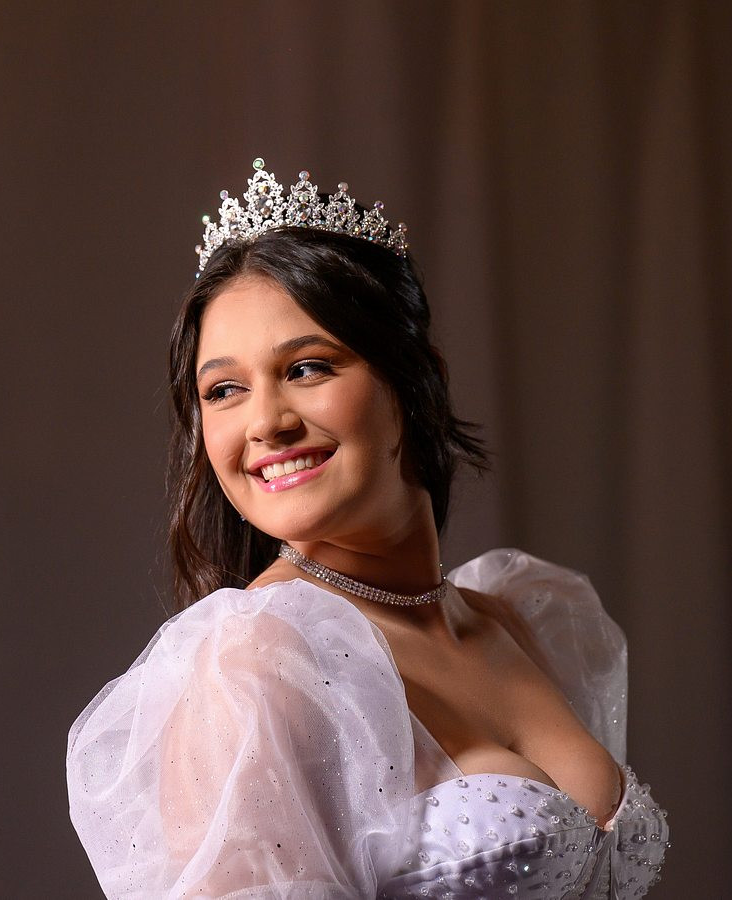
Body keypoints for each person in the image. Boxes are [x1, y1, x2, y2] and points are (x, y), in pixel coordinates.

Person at [66, 159, 668, 898]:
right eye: (224, 390)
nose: (266, 422)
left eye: (306, 369)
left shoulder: (521, 619)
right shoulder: (259, 663)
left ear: (411, 379)